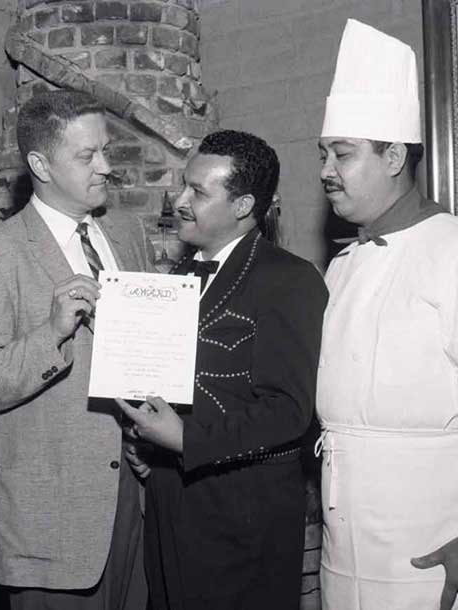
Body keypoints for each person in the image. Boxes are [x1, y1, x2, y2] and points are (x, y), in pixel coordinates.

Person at [314, 20, 458, 610]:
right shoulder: (345, 265)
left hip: (435, 536)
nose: (326, 172)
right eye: (324, 154)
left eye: (343, 154)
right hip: (350, 537)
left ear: (393, 156)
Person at [0, 90, 152, 610]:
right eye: (87, 156)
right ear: (40, 163)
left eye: (104, 150)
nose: (106, 167)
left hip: (134, 493)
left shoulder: (127, 235)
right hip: (51, 517)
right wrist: (51, 332)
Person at [116, 130, 328, 610]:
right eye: (184, 186)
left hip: (242, 523)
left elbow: (289, 411)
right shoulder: (183, 275)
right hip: (173, 504)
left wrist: (186, 440)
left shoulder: (289, 279)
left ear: (243, 205)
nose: (180, 201)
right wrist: (154, 447)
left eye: (199, 192)